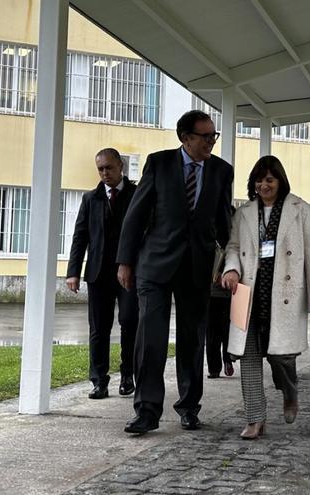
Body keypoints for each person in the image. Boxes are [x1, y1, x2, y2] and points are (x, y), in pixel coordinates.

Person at [117, 110, 234, 434]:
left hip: (197, 267)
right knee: (150, 340)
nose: (211, 141)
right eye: (205, 135)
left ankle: (188, 407)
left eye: (214, 136)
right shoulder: (160, 163)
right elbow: (136, 215)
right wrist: (125, 261)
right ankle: (147, 411)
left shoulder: (222, 171)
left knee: (192, 340)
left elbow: (225, 222)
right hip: (154, 265)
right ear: (185, 137)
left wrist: (238, 262)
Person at [221, 156, 310, 439]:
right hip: (248, 291)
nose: (263, 185)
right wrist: (231, 269)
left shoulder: (299, 208)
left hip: (284, 292)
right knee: (249, 355)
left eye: (269, 179)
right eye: (259, 179)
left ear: (280, 180)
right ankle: (255, 418)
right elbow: (233, 246)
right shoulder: (244, 212)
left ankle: (289, 391)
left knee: (281, 355)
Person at [66, 148, 138, 400]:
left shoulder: (136, 194)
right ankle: (99, 381)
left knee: (130, 323)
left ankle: (128, 374)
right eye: (100, 169)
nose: (105, 173)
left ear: (121, 167)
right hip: (98, 274)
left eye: (109, 167)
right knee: (98, 328)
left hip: (129, 272)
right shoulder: (91, 199)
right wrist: (73, 272)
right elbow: (80, 236)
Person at [206, 255, 235, 379]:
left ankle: (215, 368)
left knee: (214, 333)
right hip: (222, 294)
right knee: (224, 331)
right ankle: (225, 361)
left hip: (217, 294)